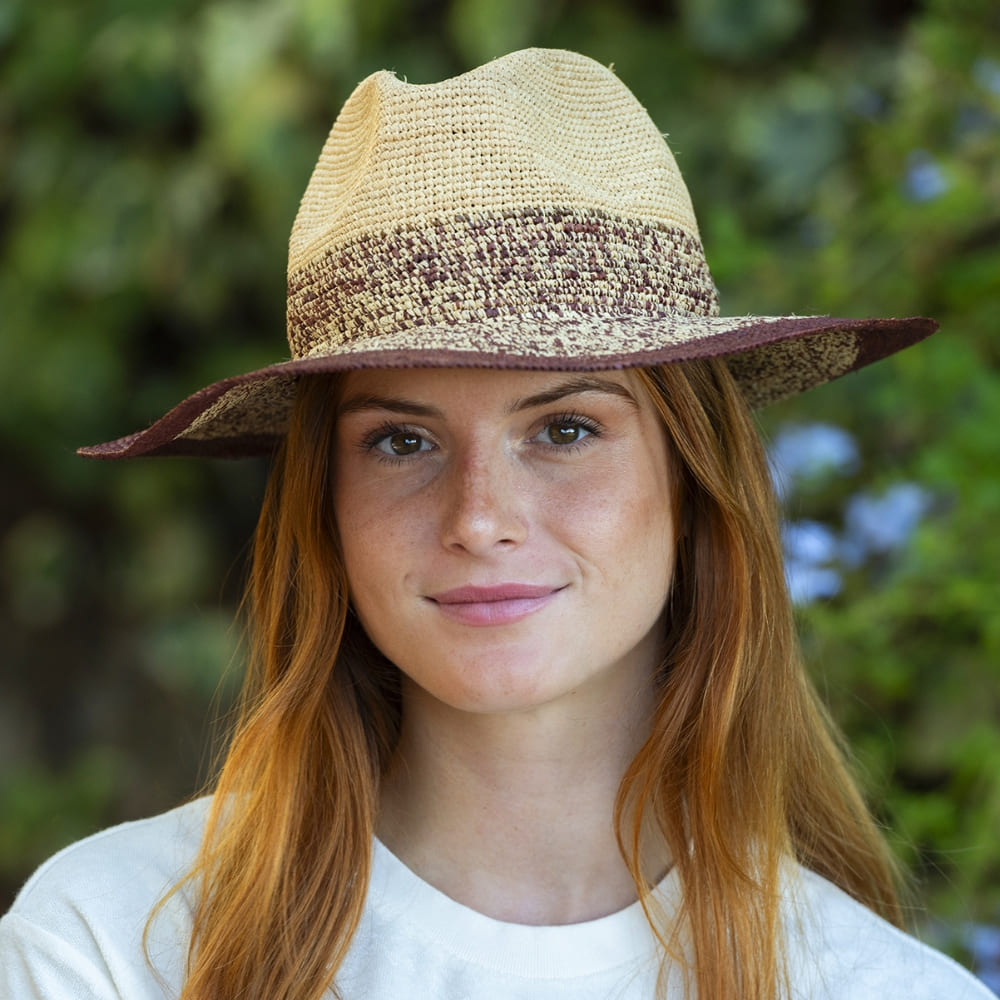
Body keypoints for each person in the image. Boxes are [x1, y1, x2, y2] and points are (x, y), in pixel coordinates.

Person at [0, 47, 991, 1000]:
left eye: (564, 429)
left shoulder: (876, 988)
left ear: (692, 477)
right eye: (400, 442)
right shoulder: (113, 946)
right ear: (325, 504)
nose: (478, 518)